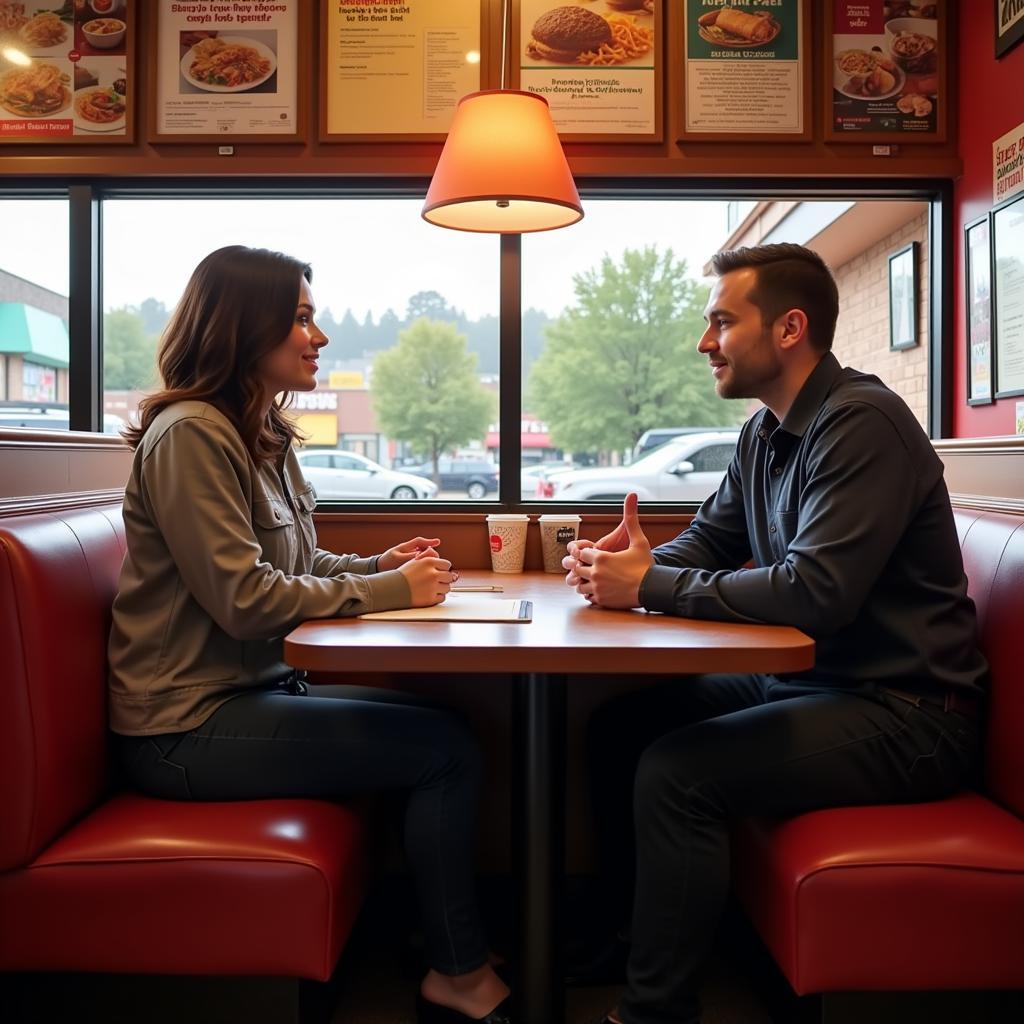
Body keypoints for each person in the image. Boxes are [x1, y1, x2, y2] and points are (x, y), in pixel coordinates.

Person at [562, 243, 987, 1024]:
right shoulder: (766, 432)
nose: (703, 342)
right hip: (815, 683)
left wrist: (651, 586)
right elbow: (710, 542)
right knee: (624, 725)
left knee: (676, 773)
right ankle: (628, 937)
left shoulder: (861, 424)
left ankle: (657, 1009)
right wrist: (625, 564)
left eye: (721, 321)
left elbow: (817, 593)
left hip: (908, 711)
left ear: (790, 328)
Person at [109, 245, 512, 1024]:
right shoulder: (192, 434)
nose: (318, 335)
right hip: (182, 726)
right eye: (299, 317)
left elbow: (295, 560)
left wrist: (377, 562)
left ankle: (442, 939)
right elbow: (245, 599)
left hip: (249, 695)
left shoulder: (258, 431)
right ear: (242, 326)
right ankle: (455, 976)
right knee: (445, 751)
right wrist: (390, 590)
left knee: (453, 726)